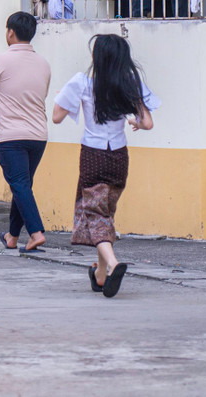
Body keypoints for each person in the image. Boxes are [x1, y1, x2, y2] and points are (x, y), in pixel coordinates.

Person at [50, 33, 159, 299]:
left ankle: (113, 264)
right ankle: (100, 276)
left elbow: (56, 117)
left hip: (93, 156)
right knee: (105, 213)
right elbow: (147, 123)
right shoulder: (130, 84)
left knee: (95, 214)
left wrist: (61, 98)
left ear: (96, 57)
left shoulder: (82, 83)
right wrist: (132, 121)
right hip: (120, 158)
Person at [0, 11, 52, 254]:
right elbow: (33, 96)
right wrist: (3, 104)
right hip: (38, 135)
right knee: (23, 185)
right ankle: (12, 236)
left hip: (11, 137)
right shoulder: (43, 63)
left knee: (19, 185)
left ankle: (36, 232)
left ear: (10, 32)